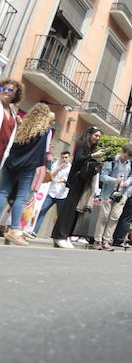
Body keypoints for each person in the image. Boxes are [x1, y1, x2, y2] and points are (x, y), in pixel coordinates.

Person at [0, 103, 53, 246]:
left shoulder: (21, 127)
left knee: (3, 193)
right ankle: (14, 230)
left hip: (10, 163)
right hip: (28, 167)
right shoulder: (45, 131)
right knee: (21, 197)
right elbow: (43, 152)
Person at [52, 127, 104, 247]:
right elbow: (77, 160)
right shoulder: (82, 144)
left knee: (75, 210)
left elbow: (85, 162)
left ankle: (66, 235)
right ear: (89, 134)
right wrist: (93, 155)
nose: (97, 138)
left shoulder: (89, 147)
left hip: (83, 181)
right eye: (96, 135)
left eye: (99, 136)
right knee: (69, 209)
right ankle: (60, 236)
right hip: (76, 180)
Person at [93, 144, 132, 250]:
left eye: (128, 158)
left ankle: (107, 241)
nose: (126, 159)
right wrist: (114, 180)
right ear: (122, 152)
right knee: (104, 217)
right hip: (108, 193)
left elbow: (131, 175)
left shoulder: (130, 163)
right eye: (125, 156)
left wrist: (128, 181)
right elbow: (103, 177)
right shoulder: (111, 161)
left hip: (121, 194)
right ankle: (98, 240)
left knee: (114, 218)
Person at [30, 150, 71, 237]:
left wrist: (59, 180)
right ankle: (33, 231)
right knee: (42, 211)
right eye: (63, 157)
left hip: (62, 195)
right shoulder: (56, 164)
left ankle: (57, 235)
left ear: (69, 158)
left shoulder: (71, 167)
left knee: (61, 216)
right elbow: (50, 175)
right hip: (51, 193)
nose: (64, 159)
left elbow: (68, 180)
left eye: (66, 157)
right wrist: (58, 168)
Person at [0, 77, 23, 171]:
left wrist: (19, 126)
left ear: (15, 95)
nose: (5, 91)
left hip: (2, 154)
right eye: (2, 89)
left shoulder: (13, 115)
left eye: (10, 90)